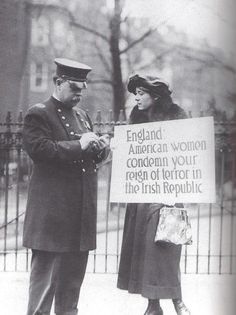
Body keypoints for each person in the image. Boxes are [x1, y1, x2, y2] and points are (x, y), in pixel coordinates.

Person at [23, 58, 110, 315]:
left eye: (82, 89)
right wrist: (80, 145)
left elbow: (87, 160)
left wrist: (100, 150)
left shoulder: (83, 117)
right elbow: (40, 151)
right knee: (43, 294)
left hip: (79, 217)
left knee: (71, 292)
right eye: (74, 88)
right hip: (52, 219)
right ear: (59, 83)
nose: (79, 95)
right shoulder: (38, 113)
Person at [117, 74, 190, 315]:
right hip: (142, 196)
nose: (136, 97)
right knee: (144, 251)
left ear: (155, 95)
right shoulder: (135, 119)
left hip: (167, 195)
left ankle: (177, 299)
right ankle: (152, 304)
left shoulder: (177, 117)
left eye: (141, 93)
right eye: (134, 93)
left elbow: (189, 153)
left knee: (166, 249)